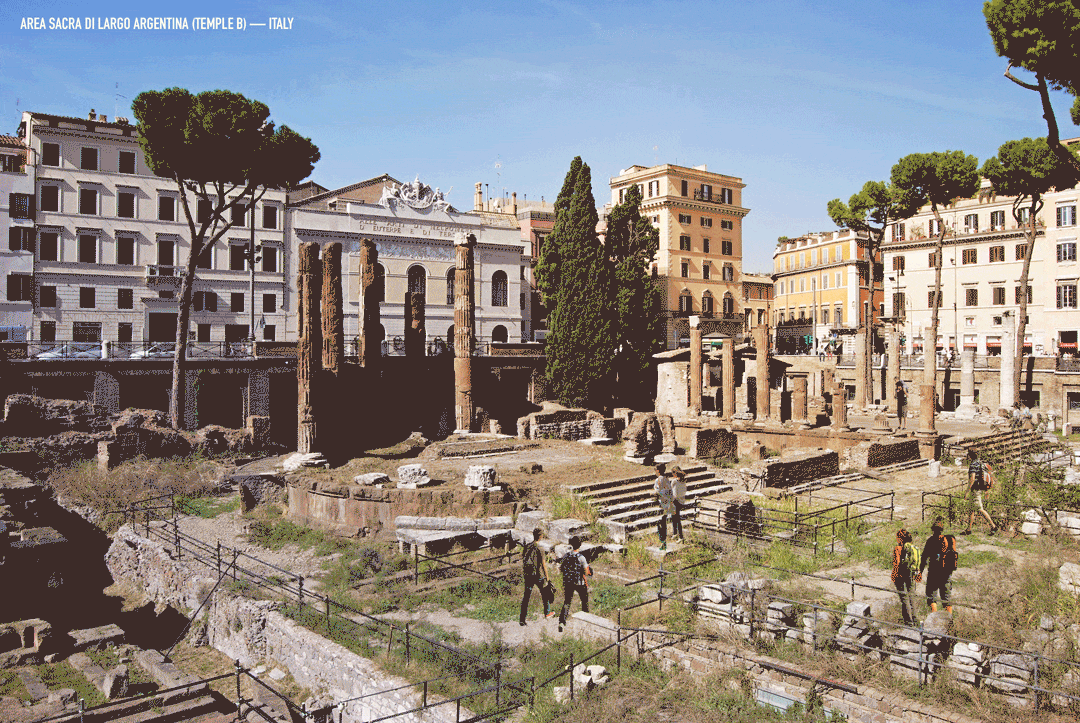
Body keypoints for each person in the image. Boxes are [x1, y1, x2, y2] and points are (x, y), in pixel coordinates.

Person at [919, 517, 957, 613]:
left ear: (933, 530)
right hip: (946, 572)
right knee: (946, 598)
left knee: (932, 598)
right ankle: (949, 622)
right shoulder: (948, 539)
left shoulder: (931, 541)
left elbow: (924, 558)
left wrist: (920, 572)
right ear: (942, 529)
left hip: (934, 573)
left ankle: (934, 620)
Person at [518, 527, 554, 626]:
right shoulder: (540, 549)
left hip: (528, 575)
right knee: (545, 593)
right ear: (541, 536)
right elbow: (543, 565)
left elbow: (523, 558)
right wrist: (548, 578)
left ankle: (522, 619)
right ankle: (547, 612)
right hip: (538, 575)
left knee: (526, 597)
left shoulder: (527, 546)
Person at [557, 535, 591, 633]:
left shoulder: (566, 555)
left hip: (568, 582)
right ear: (580, 545)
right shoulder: (581, 557)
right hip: (580, 582)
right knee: (584, 602)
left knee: (567, 602)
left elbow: (561, 568)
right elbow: (586, 572)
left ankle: (562, 622)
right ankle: (585, 621)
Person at [963, 449, 997, 535]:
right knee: (971, 509)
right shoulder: (980, 463)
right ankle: (968, 529)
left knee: (979, 509)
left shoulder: (973, 465)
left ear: (970, 456)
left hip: (975, 489)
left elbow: (972, 478)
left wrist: (967, 490)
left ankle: (993, 526)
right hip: (979, 488)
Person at [891, 528, 919, 625]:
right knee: (912, 596)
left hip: (900, 575)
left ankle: (908, 620)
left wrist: (894, 575)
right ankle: (915, 618)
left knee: (904, 598)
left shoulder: (898, 548)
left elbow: (897, 563)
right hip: (910, 573)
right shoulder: (911, 547)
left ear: (899, 539)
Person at [653, 463, 676, 551]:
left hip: (662, 504)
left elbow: (659, 492)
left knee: (660, 524)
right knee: (663, 523)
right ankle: (663, 542)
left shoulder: (659, 480)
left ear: (658, 471)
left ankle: (663, 542)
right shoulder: (666, 479)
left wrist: (654, 494)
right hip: (667, 504)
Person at [670, 465, 687, 542]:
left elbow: (672, 491)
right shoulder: (684, 481)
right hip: (681, 501)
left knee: (677, 519)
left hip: (675, 501)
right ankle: (675, 533)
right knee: (674, 517)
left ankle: (681, 536)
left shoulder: (674, 481)